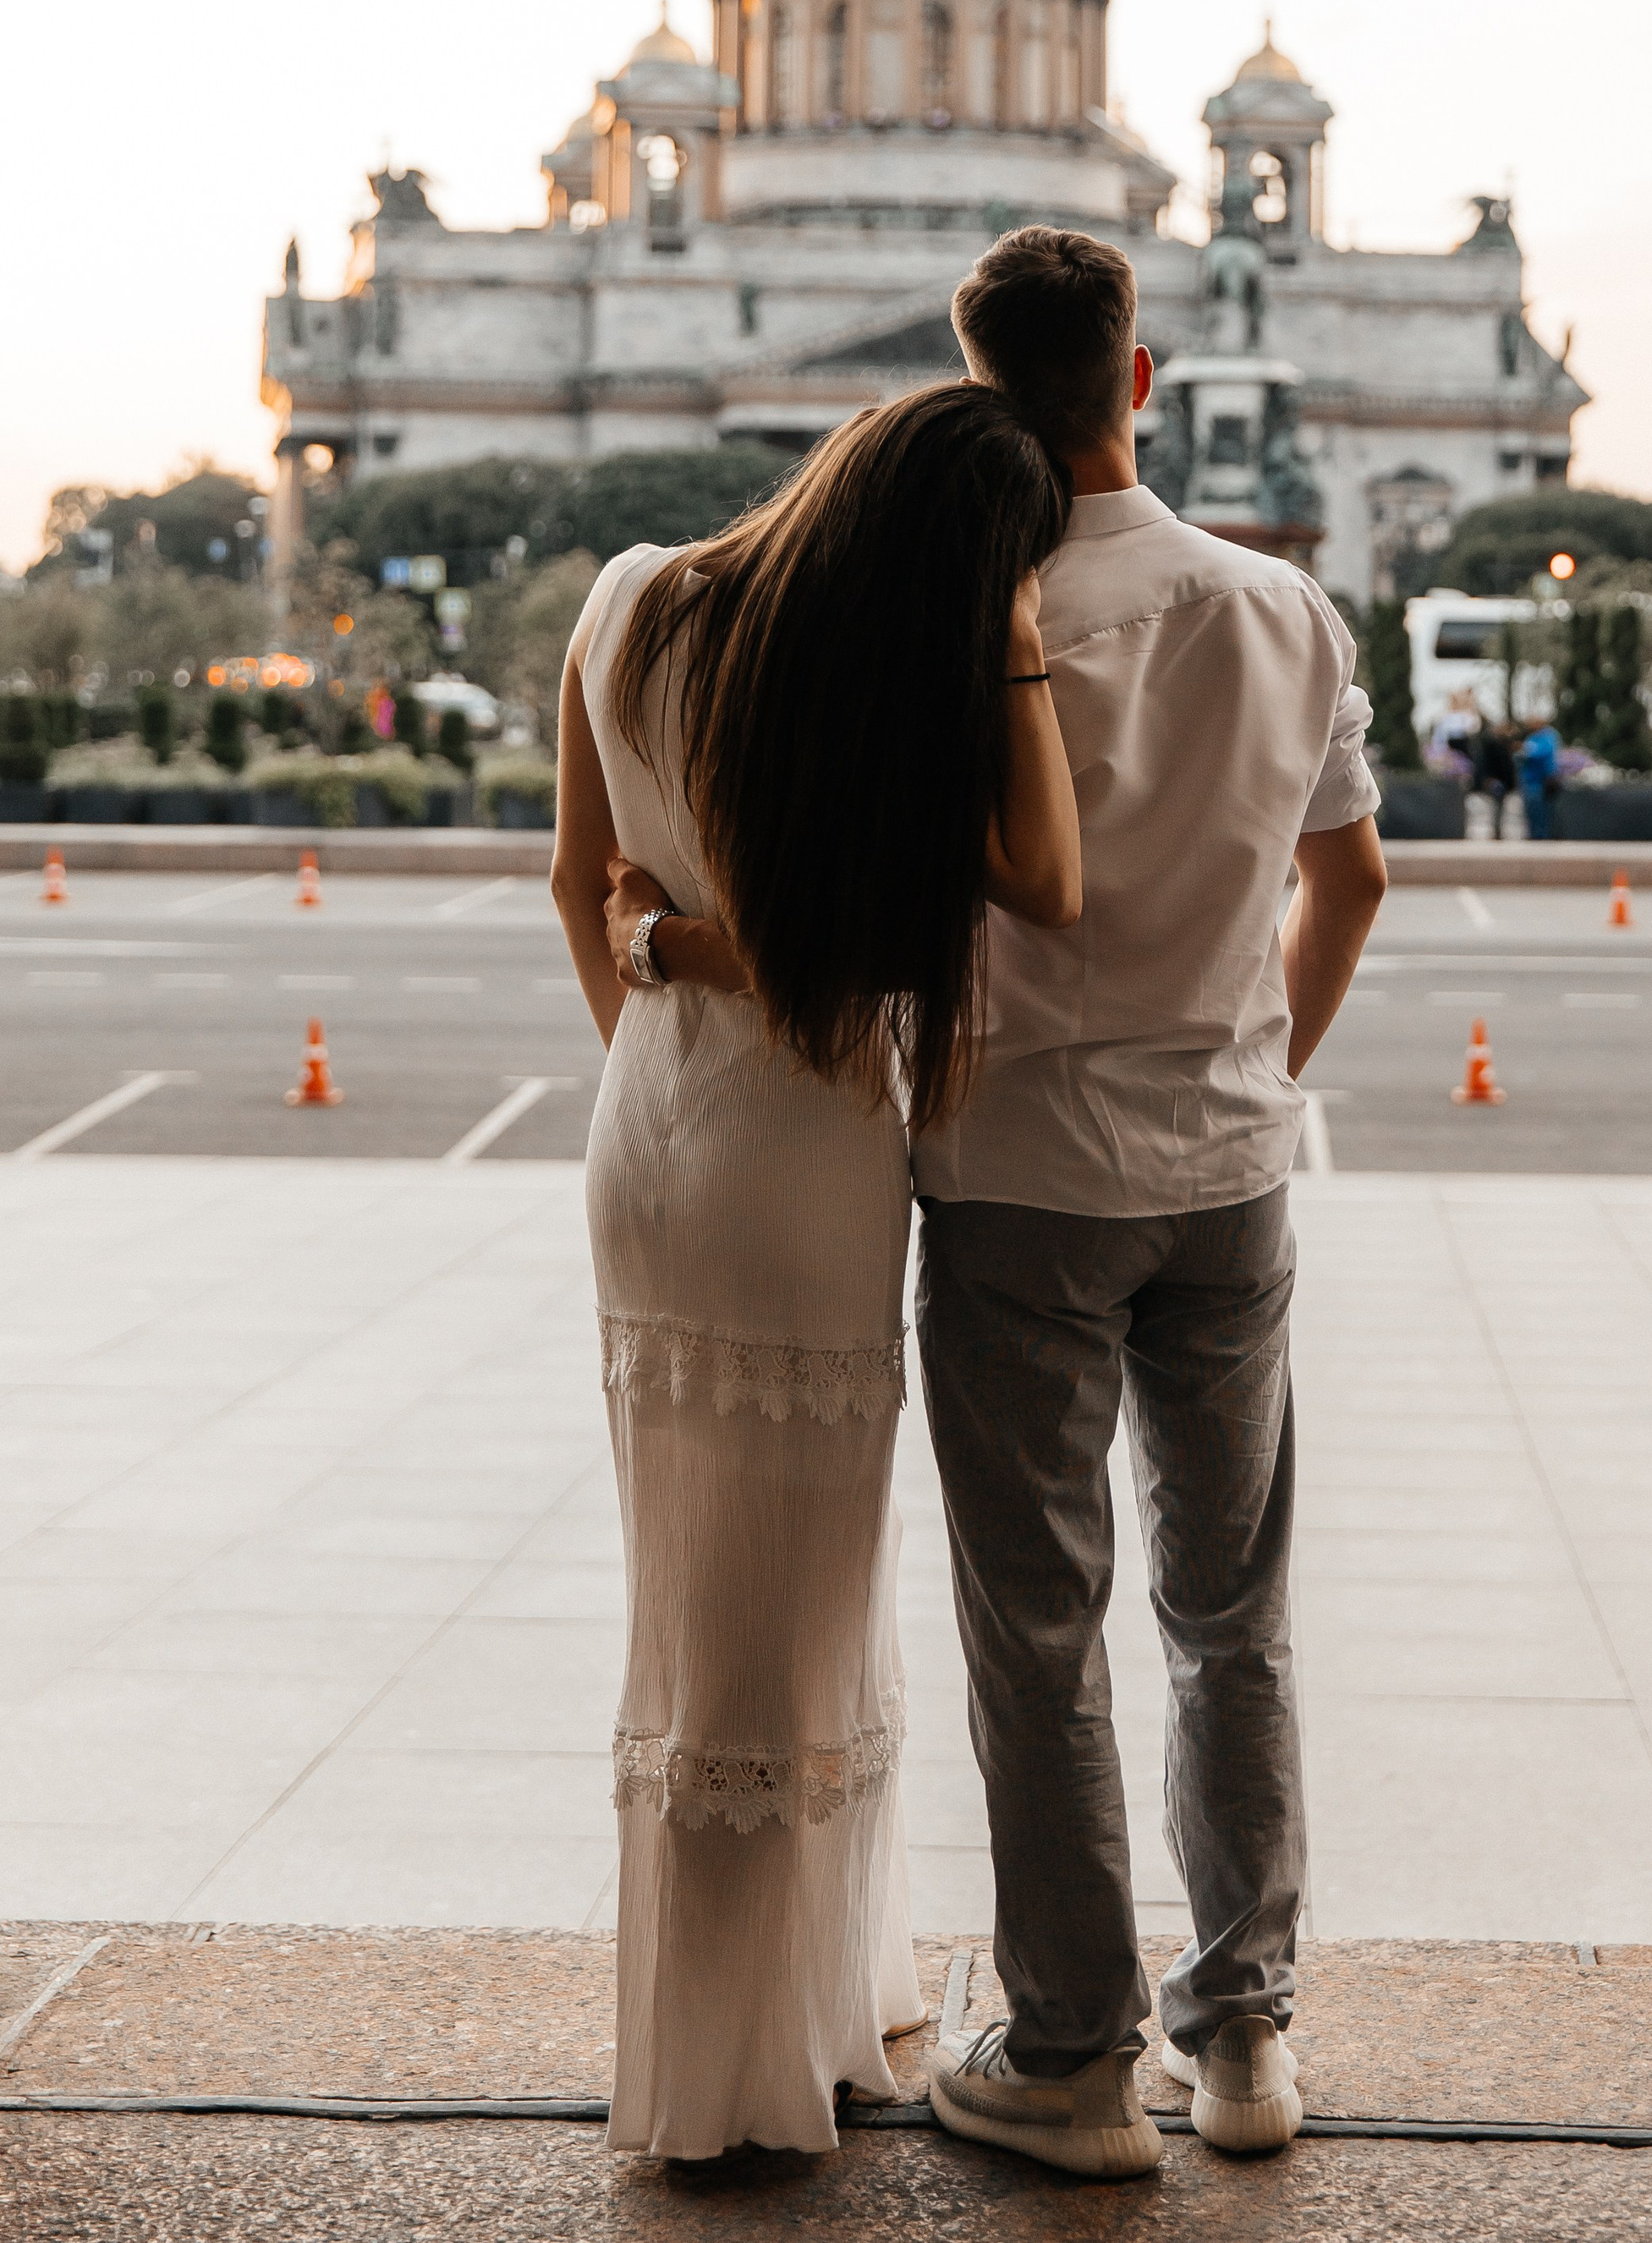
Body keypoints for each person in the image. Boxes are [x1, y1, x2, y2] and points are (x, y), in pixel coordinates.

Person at [551, 382, 1083, 2163]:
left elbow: (579, 882)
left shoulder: (627, 596)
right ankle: (761, 2056)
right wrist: (1005, 644)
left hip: (653, 1136)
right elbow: (1048, 881)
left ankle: (770, 2015)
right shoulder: (896, 684)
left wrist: (658, 1039)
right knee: (796, 1611)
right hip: (811, 1162)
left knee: (698, 1604)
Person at [914, 226, 1387, 2181]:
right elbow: (1348, 885)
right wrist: (1259, 1065)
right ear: (1139, 370)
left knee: (1041, 1636)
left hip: (1021, 1170)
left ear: (976, 383)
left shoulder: (966, 609)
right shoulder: (1279, 608)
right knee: (1231, 1618)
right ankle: (1242, 2035)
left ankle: (1070, 2058)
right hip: (1228, 1170)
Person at [1516, 715, 1560, 841]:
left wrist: (1524, 753)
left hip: (1541, 782)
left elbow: (1538, 754)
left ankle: (1542, 840)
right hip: (1528, 781)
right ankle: (1534, 837)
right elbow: (1519, 755)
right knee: (1531, 814)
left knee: (1541, 814)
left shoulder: (1548, 737)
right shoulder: (1532, 737)